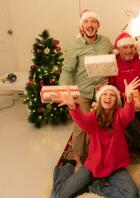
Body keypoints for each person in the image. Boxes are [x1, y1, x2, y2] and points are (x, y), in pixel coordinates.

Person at [51, 78, 140, 198]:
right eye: (105, 94)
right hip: (92, 167)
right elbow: (82, 120)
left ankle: (95, 187)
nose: (108, 97)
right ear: (99, 98)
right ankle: (66, 169)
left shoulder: (120, 116)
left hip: (115, 167)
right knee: (58, 197)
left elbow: (128, 114)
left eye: (112, 95)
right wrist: (72, 106)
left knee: (131, 196)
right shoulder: (92, 117)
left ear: (116, 101)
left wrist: (129, 99)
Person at [59, 9, 113, 162]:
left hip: (102, 89)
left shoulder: (106, 41)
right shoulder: (74, 45)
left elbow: (113, 59)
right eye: (86, 22)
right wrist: (65, 90)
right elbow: (67, 71)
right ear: (81, 26)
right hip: (83, 91)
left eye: (93, 22)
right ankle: (78, 159)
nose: (90, 25)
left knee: (107, 122)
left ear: (98, 25)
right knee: (81, 126)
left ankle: (104, 153)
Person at [108, 32, 140, 155]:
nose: (129, 51)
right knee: (130, 118)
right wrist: (121, 95)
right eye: (125, 47)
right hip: (122, 100)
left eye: (131, 47)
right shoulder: (113, 62)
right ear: (118, 49)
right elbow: (111, 85)